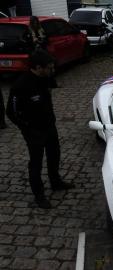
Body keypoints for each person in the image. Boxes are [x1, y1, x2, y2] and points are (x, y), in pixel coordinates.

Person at [6, 49, 74, 209]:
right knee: (36, 163)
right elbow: (11, 112)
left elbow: (50, 90)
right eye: (49, 68)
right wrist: (27, 128)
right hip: (34, 132)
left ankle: (55, 182)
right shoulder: (20, 85)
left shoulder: (46, 78)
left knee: (54, 155)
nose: (53, 71)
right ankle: (39, 195)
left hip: (50, 126)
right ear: (37, 67)